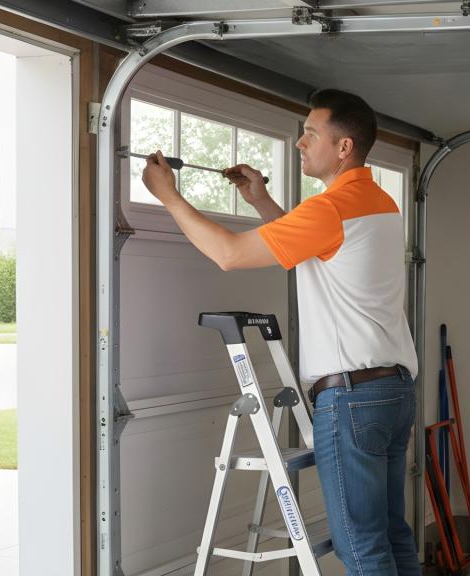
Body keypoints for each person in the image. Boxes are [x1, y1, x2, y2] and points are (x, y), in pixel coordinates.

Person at [142, 88, 420, 576]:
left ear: (343, 148)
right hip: (390, 391)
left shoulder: (329, 209)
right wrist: (261, 200)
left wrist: (168, 195)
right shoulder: (376, 202)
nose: (299, 142)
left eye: (310, 133)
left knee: (360, 547)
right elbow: (317, 249)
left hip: (352, 398)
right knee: (390, 533)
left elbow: (228, 254)